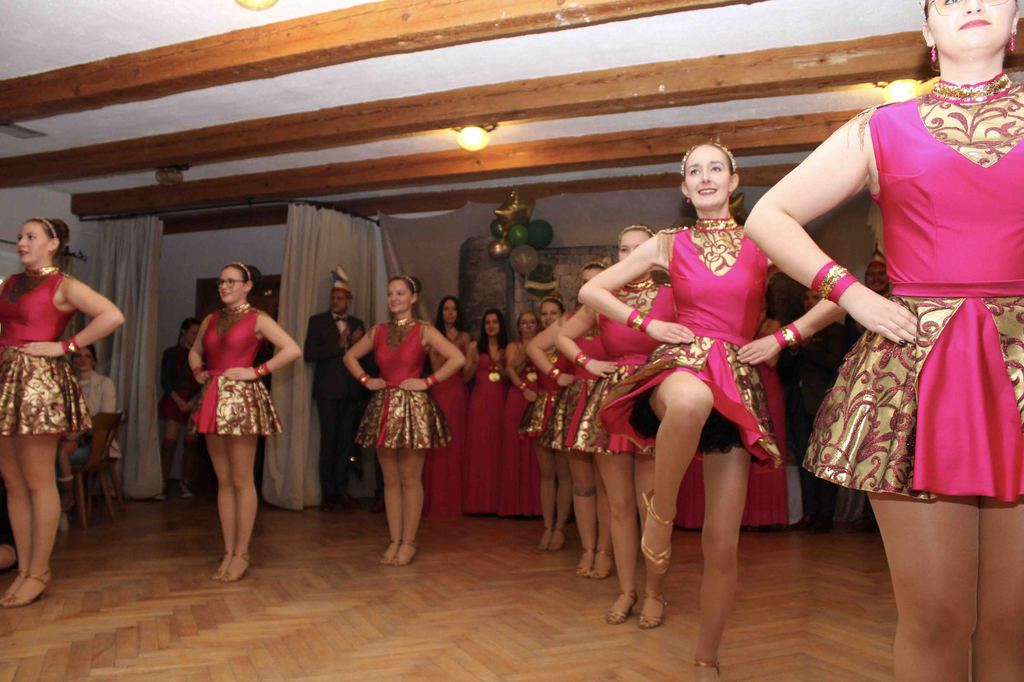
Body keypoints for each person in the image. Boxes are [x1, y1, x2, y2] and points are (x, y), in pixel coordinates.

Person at [745, 2, 1024, 678]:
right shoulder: (880, 127)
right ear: (927, 31)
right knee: (936, 619)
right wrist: (852, 293)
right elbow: (768, 215)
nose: (972, 2)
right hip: (914, 373)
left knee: (1013, 623)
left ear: (1018, 18)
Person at [580, 144, 843, 676]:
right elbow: (592, 289)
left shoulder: (763, 238)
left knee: (722, 545)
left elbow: (838, 292)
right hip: (678, 366)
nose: (705, 177)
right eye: (694, 171)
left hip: (738, 383)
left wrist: (783, 338)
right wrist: (648, 324)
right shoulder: (667, 243)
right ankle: (661, 514)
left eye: (715, 169)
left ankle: (706, 659)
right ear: (684, 189)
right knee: (691, 397)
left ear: (733, 180)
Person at [0, 217, 124, 607]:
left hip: (39, 385)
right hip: (6, 380)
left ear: (53, 244)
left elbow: (112, 315)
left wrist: (65, 346)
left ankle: (40, 570)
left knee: (39, 479)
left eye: (30, 237)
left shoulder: (63, 284)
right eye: (20, 237)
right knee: (12, 480)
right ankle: (24, 569)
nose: (22, 243)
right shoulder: (9, 283)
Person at [558, 225, 676, 627]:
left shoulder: (672, 294)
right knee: (621, 508)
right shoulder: (602, 297)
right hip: (611, 400)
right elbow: (564, 337)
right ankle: (627, 591)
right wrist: (588, 363)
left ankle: (654, 593)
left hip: (652, 398)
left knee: (652, 508)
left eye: (639, 249)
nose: (630, 256)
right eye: (624, 250)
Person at [190, 263, 301, 583]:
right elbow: (195, 352)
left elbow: (292, 349)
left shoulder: (258, 318)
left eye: (231, 281)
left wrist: (256, 372)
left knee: (241, 479)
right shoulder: (211, 319)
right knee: (224, 481)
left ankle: (242, 553)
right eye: (221, 281)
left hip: (241, 402)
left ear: (247, 285)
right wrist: (199, 373)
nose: (224, 286)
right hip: (213, 399)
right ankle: (229, 550)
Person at [344, 276, 465, 566]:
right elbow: (349, 356)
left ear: (413, 298)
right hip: (384, 407)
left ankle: (408, 542)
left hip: (413, 409)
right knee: (390, 479)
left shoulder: (424, 330)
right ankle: (394, 539)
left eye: (400, 293)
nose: (394, 298)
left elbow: (457, 358)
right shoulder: (378, 330)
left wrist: (428, 381)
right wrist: (366, 380)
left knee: (410, 479)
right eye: (390, 294)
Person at [528, 263, 613, 575]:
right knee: (582, 483)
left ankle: (605, 551)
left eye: (596, 280)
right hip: (576, 402)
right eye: (585, 281)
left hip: (608, 401)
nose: (589, 286)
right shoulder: (569, 320)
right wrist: (555, 374)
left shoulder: (616, 316)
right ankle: (587, 550)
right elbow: (534, 346)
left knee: (607, 485)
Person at [780, 289, 846, 533]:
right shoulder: (795, 330)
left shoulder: (835, 330)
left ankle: (826, 515)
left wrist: (808, 347)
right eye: (806, 298)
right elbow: (783, 370)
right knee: (803, 460)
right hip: (798, 404)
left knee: (824, 460)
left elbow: (836, 363)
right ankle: (809, 512)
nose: (809, 302)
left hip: (823, 403)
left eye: (814, 298)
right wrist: (793, 350)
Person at [303, 267, 366, 512]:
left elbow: (364, 358)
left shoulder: (358, 323)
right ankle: (328, 493)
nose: (335, 302)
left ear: (349, 301)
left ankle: (342, 489)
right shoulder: (317, 321)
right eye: (333, 298)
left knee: (346, 443)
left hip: (351, 391)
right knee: (328, 442)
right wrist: (338, 346)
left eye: (339, 298)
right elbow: (309, 354)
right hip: (328, 392)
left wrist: (358, 345)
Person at [521, 297, 574, 550]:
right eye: (544, 313)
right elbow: (518, 369)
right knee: (547, 474)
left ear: (562, 314)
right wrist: (524, 386)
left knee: (565, 474)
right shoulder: (536, 343)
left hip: (564, 406)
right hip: (542, 407)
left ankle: (560, 528)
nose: (548, 317)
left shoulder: (570, 338)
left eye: (553, 313)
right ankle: (547, 526)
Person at [57, 345, 118, 516]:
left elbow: (105, 418)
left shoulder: (104, 384)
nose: (82, 360)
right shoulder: (65, 384)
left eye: (87, 356)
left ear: (94, 361)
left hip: (95, 444)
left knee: (57, 457)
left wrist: (78, 432)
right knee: (46, 456)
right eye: (77, 356)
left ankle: (65, 500)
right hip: (67, 438)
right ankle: (53, 506)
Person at [424, 296, 471, 517]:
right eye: (446, 309)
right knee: (438, 442)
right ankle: (436, 500)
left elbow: (466, 372)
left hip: (458, 391)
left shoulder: (465, 337)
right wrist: (449, 346)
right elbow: (435, 367)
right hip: (440, 390)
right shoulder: (433, 335)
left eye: (453, 309)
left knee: (457, 442)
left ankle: (457, 500)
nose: (450, 313)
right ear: (441, 313)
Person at [496, 312, 544, 517]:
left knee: (538, 451)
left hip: (539, 393)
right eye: (524, 323)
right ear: (518, 327)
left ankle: (537, 506)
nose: (528, 326)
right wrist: (528, 350)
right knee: (516, 447)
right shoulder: (513, 346)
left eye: (532, 322)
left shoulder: (545, 343)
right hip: (519, 394)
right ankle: (514, 506)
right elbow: (510, 369)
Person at [462, 308, 509, 514]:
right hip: (479, 402)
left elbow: (510, 379)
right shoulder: (474, 346)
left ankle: (497, 502)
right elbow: (465, 377)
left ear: (501, 325)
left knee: (498, 448)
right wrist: (473, 362)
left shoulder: (508, 347)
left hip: (500, 400)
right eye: (487, 322)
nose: (491, 326)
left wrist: (502, 367)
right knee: (479, 449)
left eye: (495, 322)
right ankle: (477, 503)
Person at [157, 317, 201, 500]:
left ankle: (185, 483)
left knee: (190, 444)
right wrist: (180, 402)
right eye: (193, 333)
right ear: (183, 332)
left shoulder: (202, 355)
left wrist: (192, 402)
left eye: (199, 333)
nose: (196, 336)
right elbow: (165, 381)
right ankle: (161, 483)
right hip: (174, 400)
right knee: (169, 443)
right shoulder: (170, 353)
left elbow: (204, 381)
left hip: (195, 401)